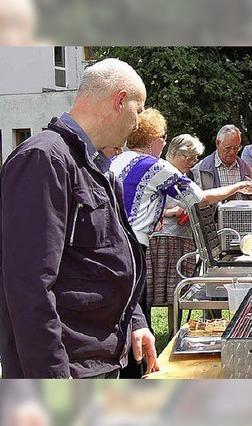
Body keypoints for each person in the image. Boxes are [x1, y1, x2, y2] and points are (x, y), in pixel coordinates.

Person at [0, 58, 157, 378]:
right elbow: (28, 287)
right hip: (69, 367)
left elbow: (106, 260)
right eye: (137, 110)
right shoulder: (44, 159)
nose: (137, 123)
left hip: (101, 358)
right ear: (120, 100)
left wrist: (136, 322)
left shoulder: (95, 167)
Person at [109, 109, 252, 376]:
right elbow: (200, 198)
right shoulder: (154, 165)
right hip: (132, 247)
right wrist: (237, 187)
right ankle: (138, 374)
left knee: (119, 316)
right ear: (154, 137)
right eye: (163, 138)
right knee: (136, 317)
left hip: (108, 243)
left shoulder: (117, 160)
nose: (164, 143)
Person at [147, 134, 204, 337]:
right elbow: (146, 207)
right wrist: (172, 212)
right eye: (188, 158)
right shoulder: (160, 170)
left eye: (194, 158)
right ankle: (147, 330)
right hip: (162, 238)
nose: (192, 162)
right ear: (175, 154)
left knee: (177, 290)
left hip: (184, 238)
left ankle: (174, 332)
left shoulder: (188, 175)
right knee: (152, 288)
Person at [191, 124, 252, 201]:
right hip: (216, 213)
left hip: (242, 212)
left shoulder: (246, 168)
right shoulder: (201, 169)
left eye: (236, 148)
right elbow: (196, 201)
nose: (232, 152)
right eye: (228, 148)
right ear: (218, 143)